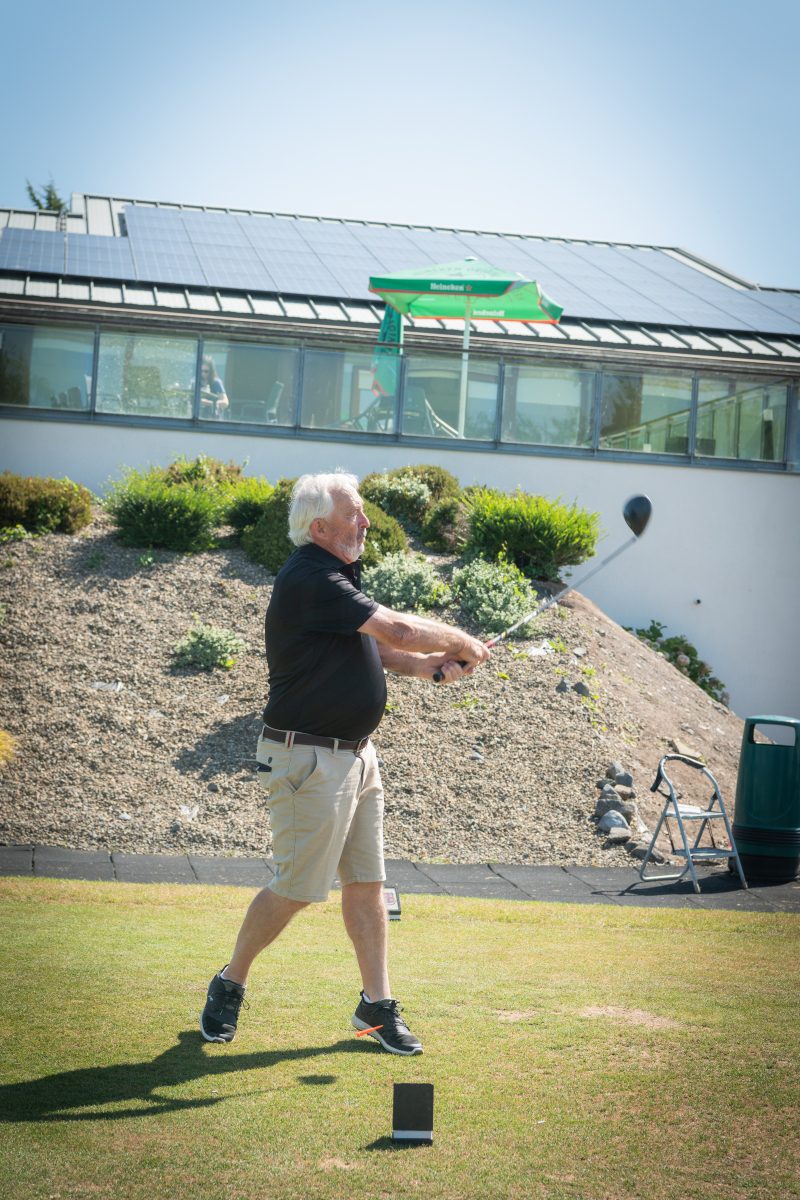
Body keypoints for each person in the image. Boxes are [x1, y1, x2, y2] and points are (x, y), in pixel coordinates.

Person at [200, 471, 490, 1055]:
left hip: (357, 756)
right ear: (320, 528)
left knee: (367, 884)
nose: (365, 522)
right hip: (307, 757)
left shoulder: (336, 575)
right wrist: (461, 642)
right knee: (297, 888)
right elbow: (399, 629)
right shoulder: (310, 576)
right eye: (354, 513)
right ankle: (229, 982)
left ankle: (376, 1006)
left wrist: (427, 666)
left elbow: (376, 649)